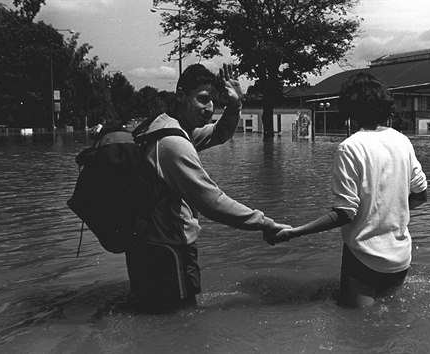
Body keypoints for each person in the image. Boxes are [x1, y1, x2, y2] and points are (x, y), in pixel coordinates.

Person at [95, 64, 289, 312]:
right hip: (168, 253)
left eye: (214, 102)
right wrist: (264, 223)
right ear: (180, 94)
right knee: (183, 323)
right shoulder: (173, 143)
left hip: (145, 247)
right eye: (203, 99)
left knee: (156, 322)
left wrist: (235, 105)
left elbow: (219, 134)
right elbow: (212, 202)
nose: (209, 108)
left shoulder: (159, 127)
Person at [267, 73, 428, 308]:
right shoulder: (402, 141)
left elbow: (345, 213)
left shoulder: (350, 147)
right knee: (389, 321)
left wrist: (295, 232)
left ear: (350, 112)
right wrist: (388, 210)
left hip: (364, 257)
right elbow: (421, 195)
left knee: (357, 330)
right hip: (400, 257)